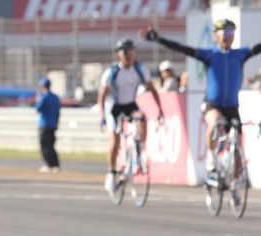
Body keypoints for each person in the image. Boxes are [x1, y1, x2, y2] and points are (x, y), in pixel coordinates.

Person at [141, 19, 261, 183]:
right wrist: (158, 39)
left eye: (231, 33)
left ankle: (234, 186)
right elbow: (183, 49)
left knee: (238, 146)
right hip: (212, 104)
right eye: (224, 34)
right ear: (216, 36)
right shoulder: (210, 54)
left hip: (232, 107)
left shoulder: (240, 54)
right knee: (216, 122)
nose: (228, 37)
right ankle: (211, 163)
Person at [98, 38, 164, 193]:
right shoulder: (111, 73)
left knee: (142, 117)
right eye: (125, 53)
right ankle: (111, 172)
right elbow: (102, 97)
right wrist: (102, 117)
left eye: (131, 52)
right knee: (114, 140)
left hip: (130, 104)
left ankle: (139, 150)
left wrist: (160, 110)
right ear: (119, 56)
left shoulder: (140, 70)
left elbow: (152, 90)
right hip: (114, 106)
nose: (129, 56)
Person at [35, 77, 61, 173]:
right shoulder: (55, 97)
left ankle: (49, 164)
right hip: (53, 124)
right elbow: (58, 111)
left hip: (44, 124)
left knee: (45, 146)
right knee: (51, 145)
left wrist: (37, 99)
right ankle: (55, 164)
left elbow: (38, 108)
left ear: (43, 86)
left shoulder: (43, 97)